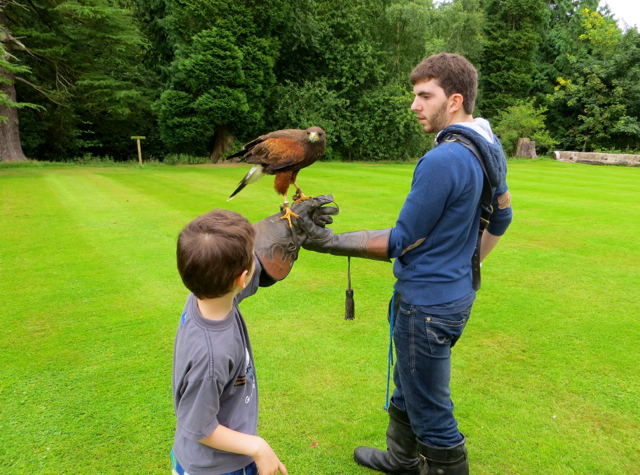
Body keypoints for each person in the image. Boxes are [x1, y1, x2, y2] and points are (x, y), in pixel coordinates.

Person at [299, 53, 513, 475]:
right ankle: (400, 460)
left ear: (453, 100)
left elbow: (399, 241)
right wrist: (466, 270)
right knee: (411, 383)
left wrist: (324, 241)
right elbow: (502, 215)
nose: (414, 105)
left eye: (423, 96)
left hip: (427, 307)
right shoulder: (487, 143)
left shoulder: (443, 160)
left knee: (433, 413)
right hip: (455, 297)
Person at [171, 200, 335, 475]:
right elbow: (198, 425)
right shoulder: (213, 356)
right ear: (242, 278)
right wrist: (258, 447)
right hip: (217, 468)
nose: (257, 253)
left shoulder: (203, 296)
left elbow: (239, 273)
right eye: (253, 252)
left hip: (209, 459)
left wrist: (286, 225)